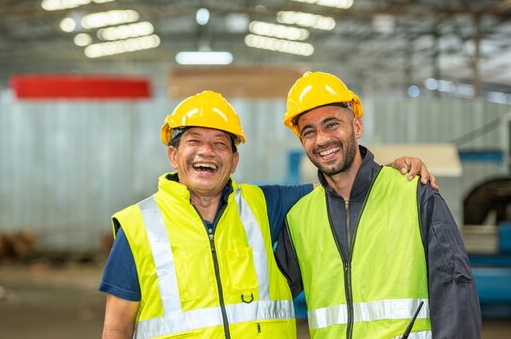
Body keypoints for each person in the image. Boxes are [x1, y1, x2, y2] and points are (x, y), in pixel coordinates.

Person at [99, 90, 436, 339]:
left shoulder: (264, 204)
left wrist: (393, 171)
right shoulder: (138, 225)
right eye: (193, 141)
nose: (206, 151)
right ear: (174, 155)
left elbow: (339, 184)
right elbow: (116, 328)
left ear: (234, 161)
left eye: (220, 144)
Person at [276, 71, 481, 338]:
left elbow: (455, 295)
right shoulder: (299, 218)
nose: (322, 139)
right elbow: (266, 300)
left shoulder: (415, 194)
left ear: (357, 127)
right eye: (309, 132)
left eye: (331, 125)